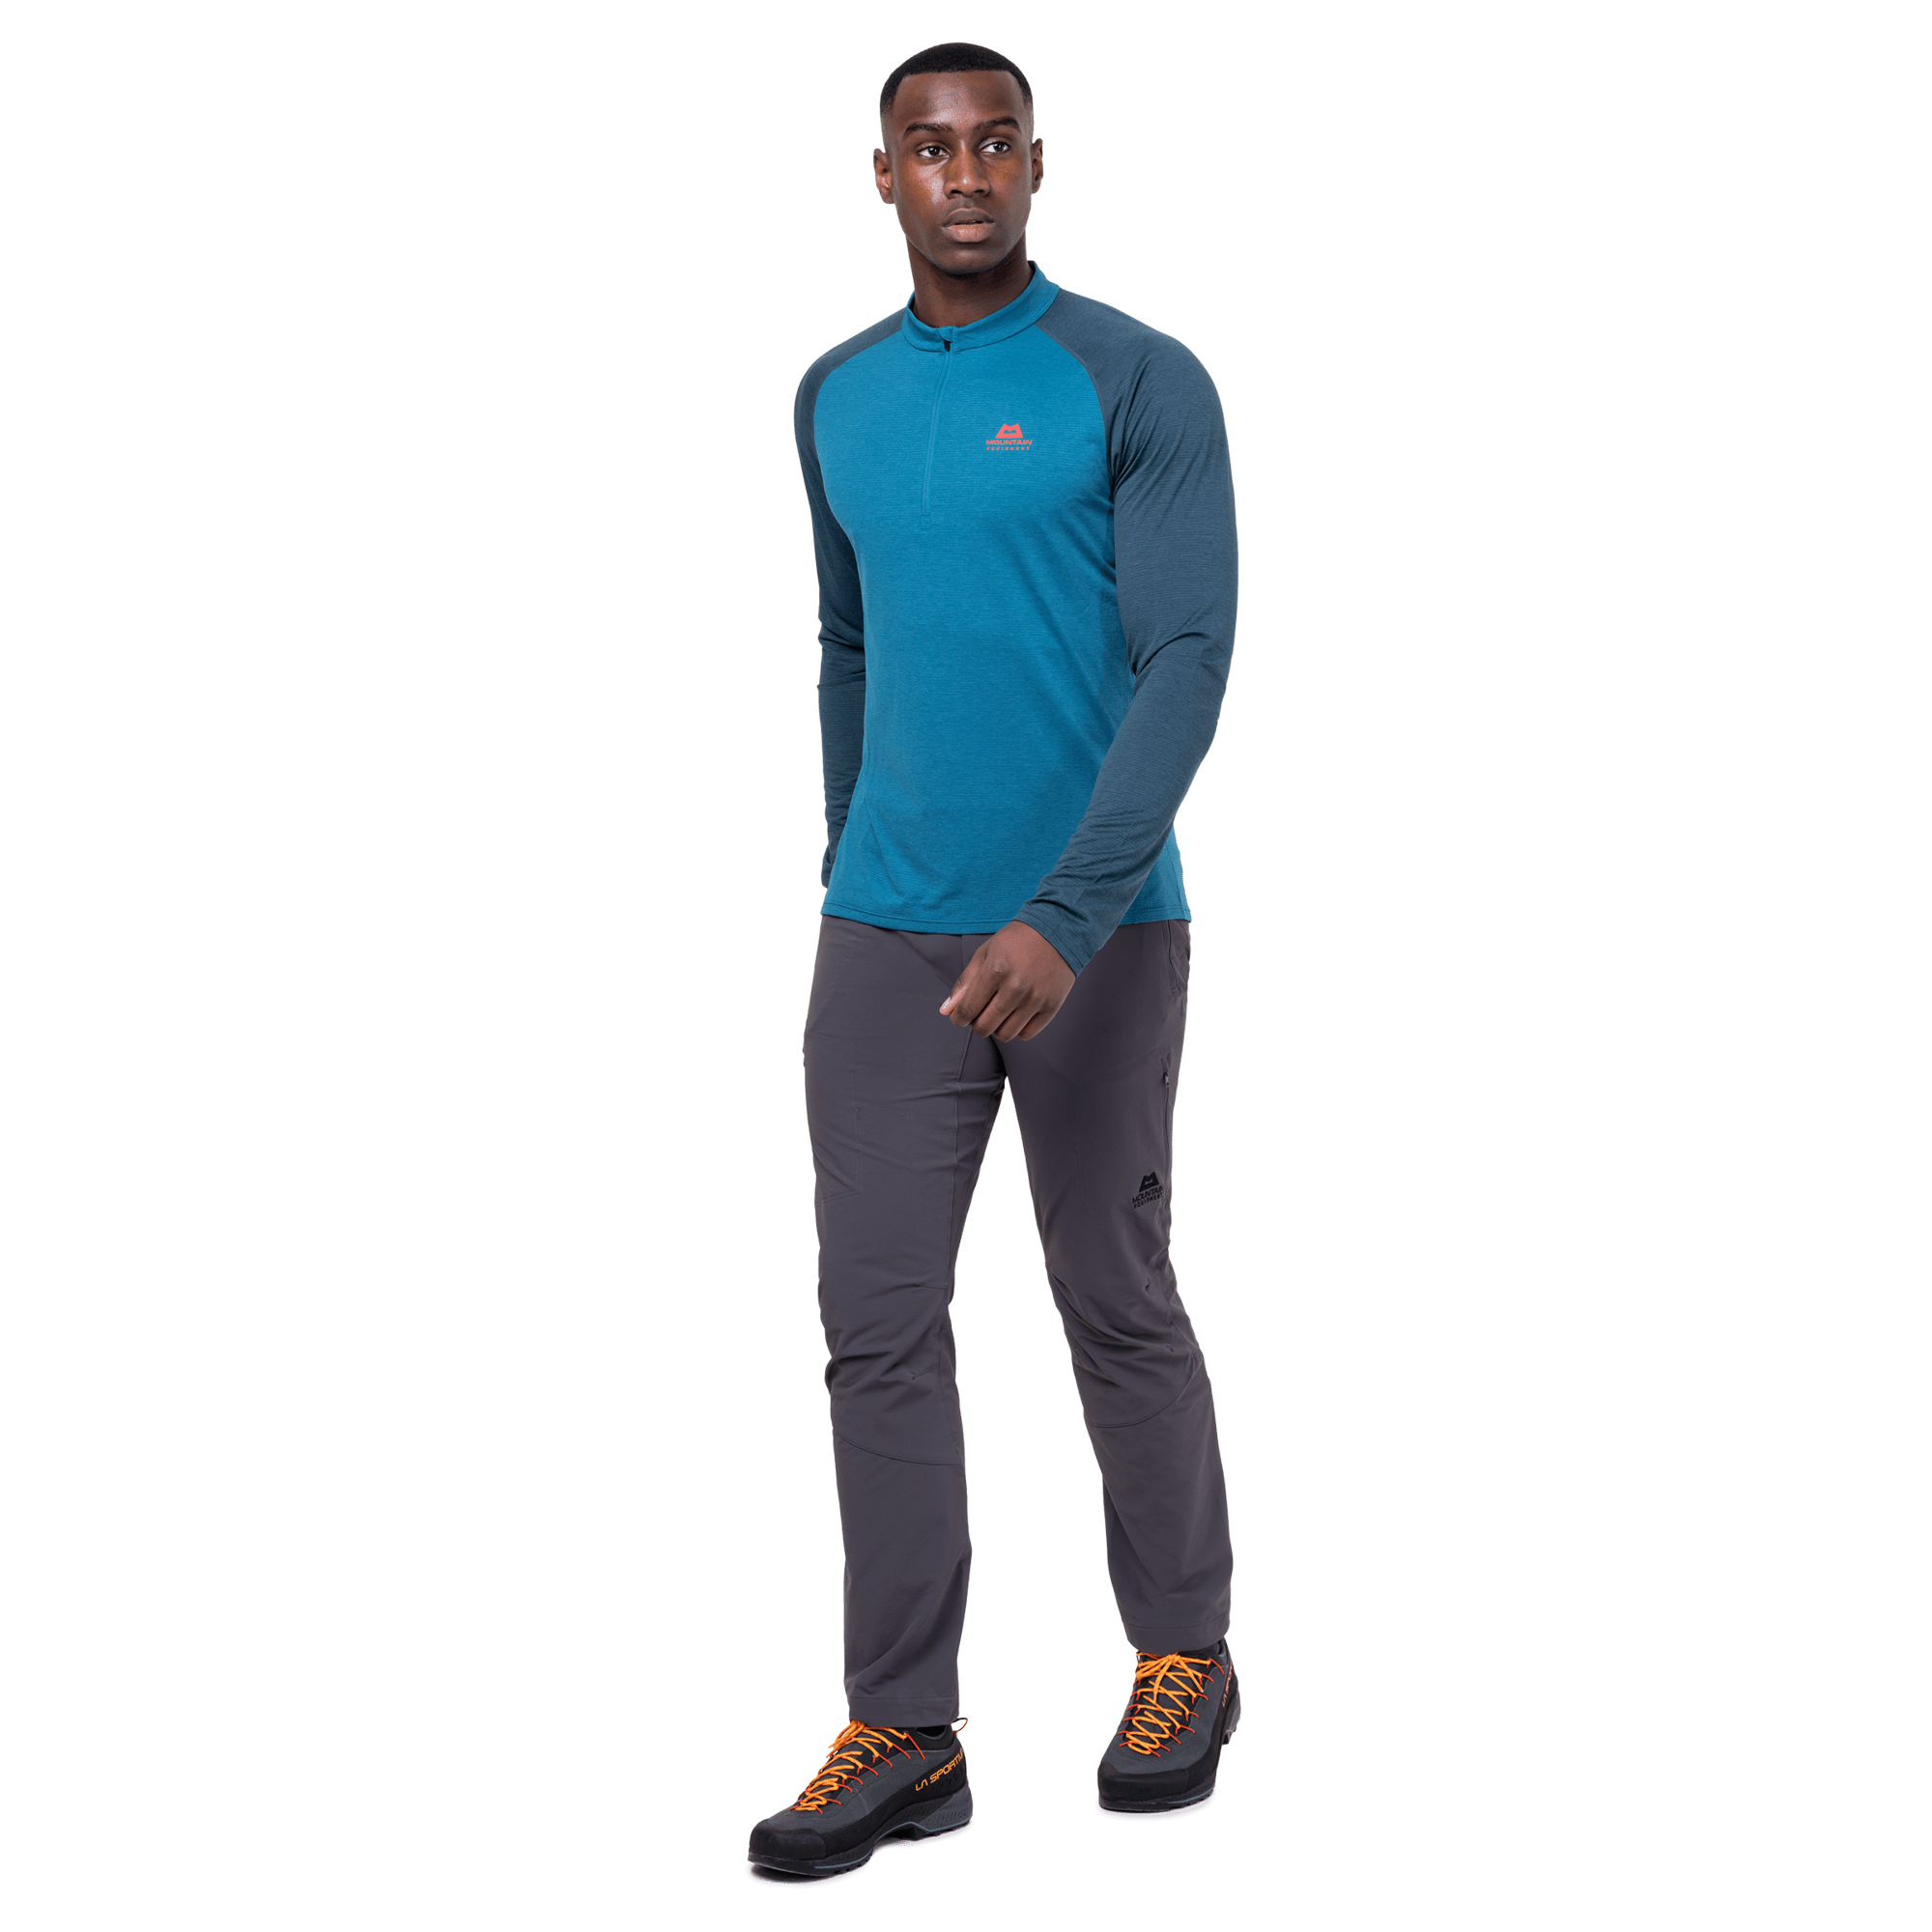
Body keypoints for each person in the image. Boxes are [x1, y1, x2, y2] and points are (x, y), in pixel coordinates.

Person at [745, 42, 1241, 1889]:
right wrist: (853, 863)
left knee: (1113, 1291)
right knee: (874, 1327)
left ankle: (1187, 1657)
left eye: (996, 142)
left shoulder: (1138, 376)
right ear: (881, 175)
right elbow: (846, 646)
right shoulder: (834, 395)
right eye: (929, 146)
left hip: (1096, 930)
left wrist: (1068, 910)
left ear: (1039, 164)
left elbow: (1189, 654)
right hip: (886, 936)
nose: (965, 172)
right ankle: (908, 1733)